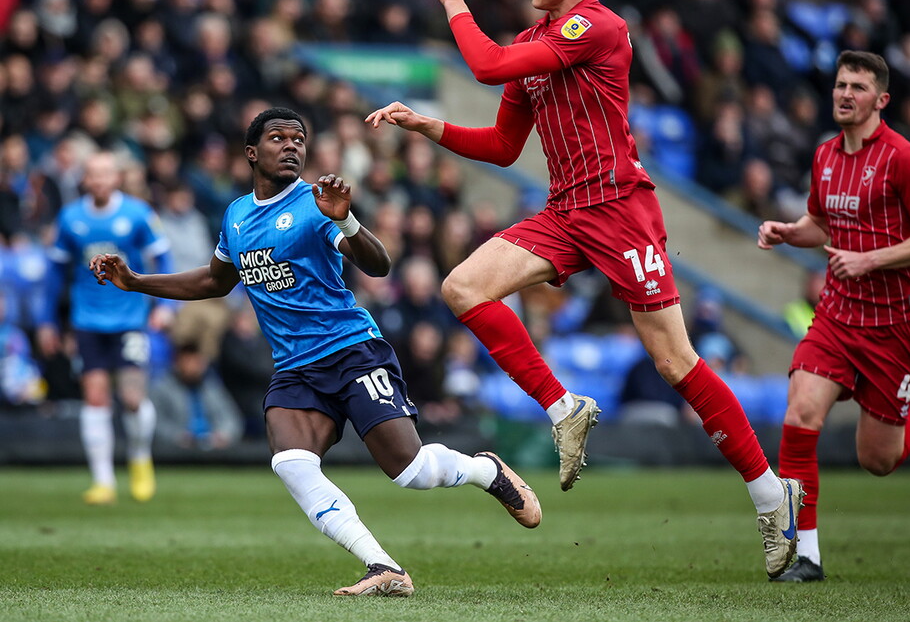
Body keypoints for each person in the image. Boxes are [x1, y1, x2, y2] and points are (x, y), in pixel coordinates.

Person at [366, 0, 801, 579]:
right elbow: (505, 146)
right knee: (462, 286)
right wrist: (431, 126)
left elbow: (483, 67)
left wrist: (455, 1)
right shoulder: (532, 39)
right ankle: (565, 406)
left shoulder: (595, 27)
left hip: (621, 211)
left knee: (675, 360)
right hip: (567, 211)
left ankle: (772, 496)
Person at [89, 107, 541, 597]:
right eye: (278, 138)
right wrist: (136, 282)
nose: (291, 146)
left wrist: (345, 221)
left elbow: (380, 264)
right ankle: (382, 566)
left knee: (410, 470)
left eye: (299, 139)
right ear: (251, 153)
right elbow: (215, 281)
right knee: (290, 463)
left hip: (351, 352)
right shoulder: (237, 215)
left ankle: (484, 469)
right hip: (295, 369)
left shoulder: (314, 204)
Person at [758, 50, 910, 582]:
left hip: (896, 323)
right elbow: (821, 226)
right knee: (800, 414)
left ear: (881, 100)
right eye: (841, 84)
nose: (846, 94)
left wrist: (870, 258)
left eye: (859, 87)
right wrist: (787, 232)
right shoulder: (825, 156)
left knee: (877, 460)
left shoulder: (905, 159)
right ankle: (806, 556)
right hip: (838, 314)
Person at [40, 150, 174, 505]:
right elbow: (56, 272)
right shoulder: (70, 218)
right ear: (85, 179)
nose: (99, 181)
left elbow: (163, 257)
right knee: (95, 397)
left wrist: (165, 305)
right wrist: (47, 320)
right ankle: (103, 481)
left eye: (105, 174)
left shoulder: (137, 214)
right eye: (93, 175)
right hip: (87, 319)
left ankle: (140, 457)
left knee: (132, 398)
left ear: (116, 178)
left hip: (130, 319)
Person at [151, 340, 244, 451]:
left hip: (213, 451)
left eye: (197, 362)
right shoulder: (161, 389)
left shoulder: (213, 387)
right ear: (177, 363)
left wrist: (223, 435)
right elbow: (155, 424)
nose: (193, 368)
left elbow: (232, 419)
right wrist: (177, 437)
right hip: (176, 453)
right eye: (188, 362)